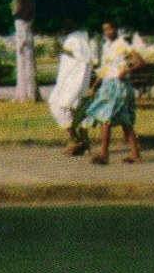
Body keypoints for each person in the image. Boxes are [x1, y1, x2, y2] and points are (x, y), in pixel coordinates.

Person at [78, 20, 144, 165]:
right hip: (107, 85)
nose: (107, 32)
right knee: (123, 120)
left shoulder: (123, 44)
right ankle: (135, 155)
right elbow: (104, 69)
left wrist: (126, 70)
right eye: (105, 30)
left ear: (115, 29)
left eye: (110, 29)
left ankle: (104, 154)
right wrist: (94, 87)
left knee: (106, 117)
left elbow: (140, 62)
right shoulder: (106, 46)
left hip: (119, 86)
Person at [49, 19, 95, 156]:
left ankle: (75, 139)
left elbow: (83, 56)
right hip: (71, 79)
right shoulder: (79, 37)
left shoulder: (76, 37)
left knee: (61, 105)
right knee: (76, 108)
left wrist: (62, 49)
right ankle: (82, 142)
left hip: (74, 80)